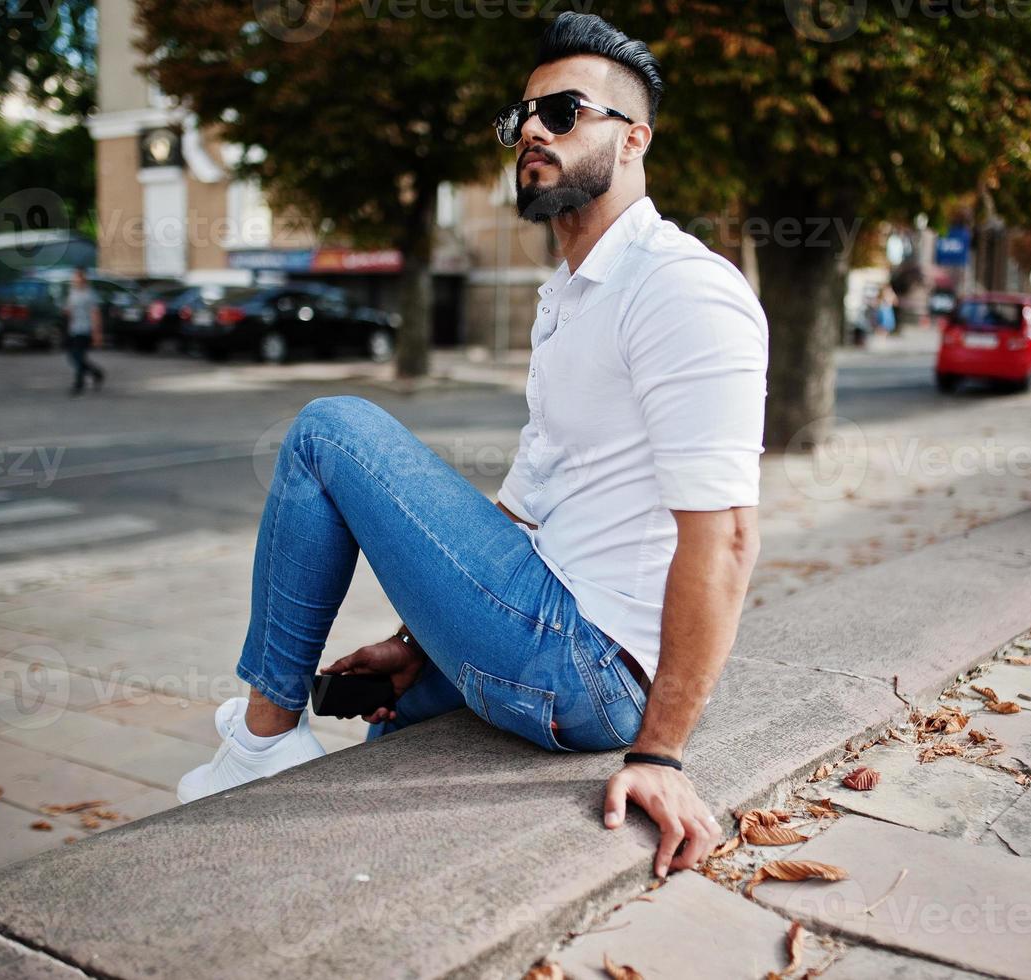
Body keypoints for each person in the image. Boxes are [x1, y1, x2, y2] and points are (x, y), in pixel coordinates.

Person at [177, 12, 768, 881]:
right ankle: (356, 716)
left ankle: (261, 739)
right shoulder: (569, 293)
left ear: (634, 139)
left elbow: (726, 537)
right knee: (387, 716)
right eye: (520, 118)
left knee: (328, 431)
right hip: (545, 632)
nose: (531, 130)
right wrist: (418, 642)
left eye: (563, 112)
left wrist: (661, 755)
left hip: (587, 662)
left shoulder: (680, 289)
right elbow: (521, 507)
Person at [63, 268, 105, 396]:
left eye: (76, 278)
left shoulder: (90, 294)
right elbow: (69, 309)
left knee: (79, 356)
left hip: (85, 329)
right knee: (72, 357)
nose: (74, 280)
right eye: (73, 278)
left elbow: (95, 314)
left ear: (83, 279)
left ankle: (78, 384)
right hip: (73, 329)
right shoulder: (72, 293)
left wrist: (96, 332)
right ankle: (96, 373)